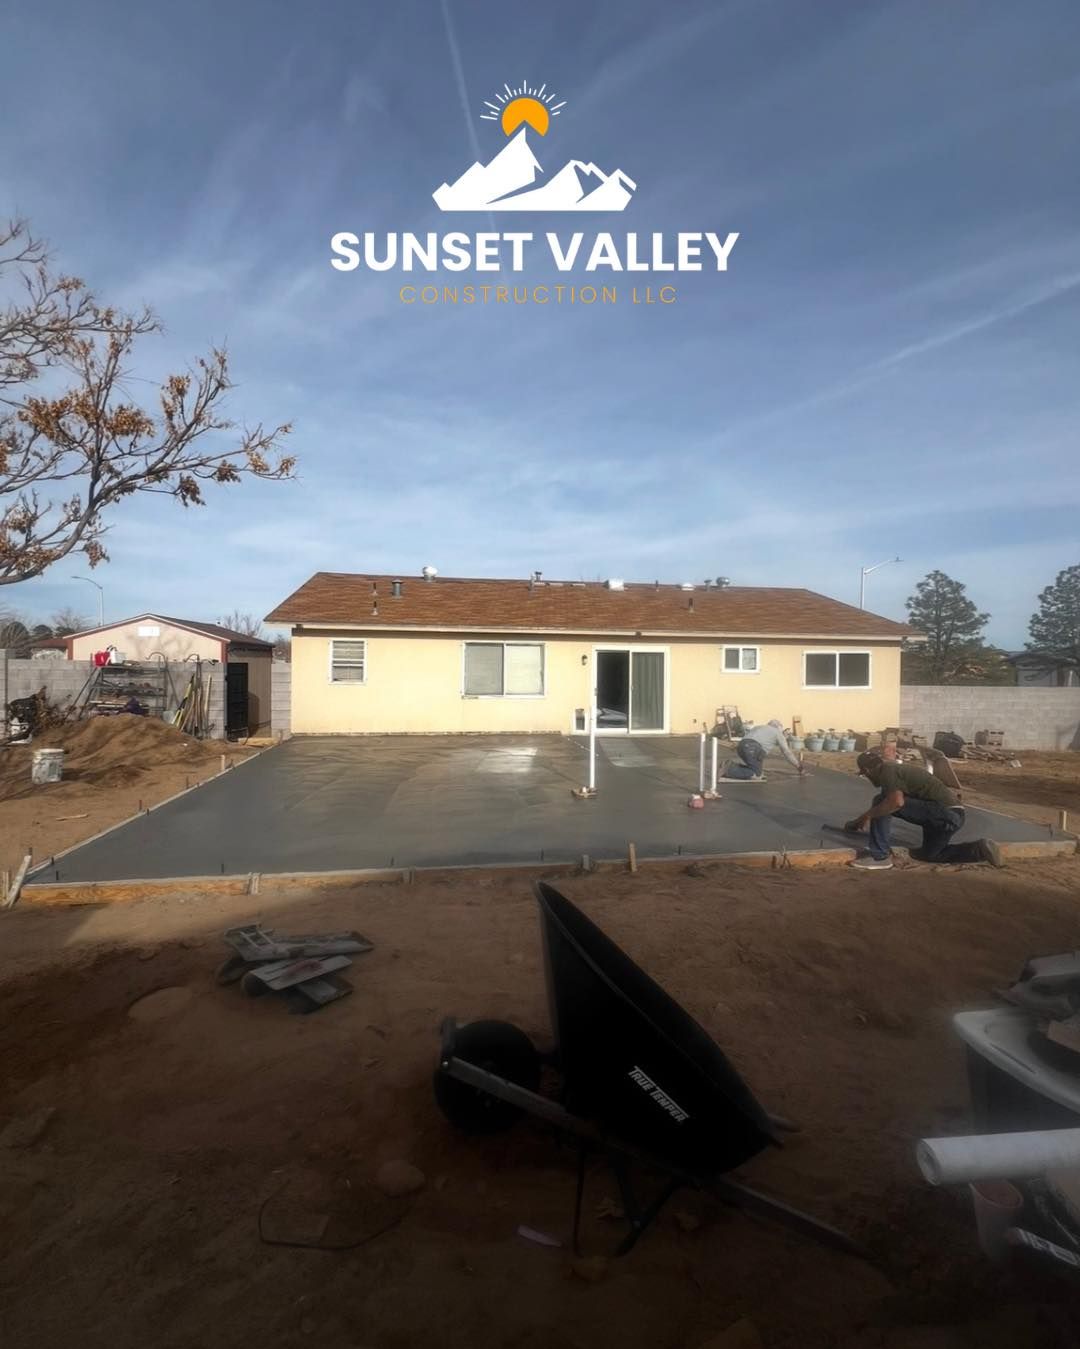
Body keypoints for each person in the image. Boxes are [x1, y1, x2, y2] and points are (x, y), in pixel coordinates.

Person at [848, 750, 1002, 870]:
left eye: (864, 774)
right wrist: (856, 822)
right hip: (951, 817)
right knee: (931, 854)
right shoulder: (893, 772)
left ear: (867, 770)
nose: (867, 777)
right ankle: (979, 849)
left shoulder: (888, 771)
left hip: (945, 814)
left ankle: (879, 857)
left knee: (882, 802)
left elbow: (895, 802)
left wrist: (868, 816)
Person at [722, 719, 804, 780]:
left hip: (742, 746)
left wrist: (736, 746)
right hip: (753, 749)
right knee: (757, 776)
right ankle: (729, 769)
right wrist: (798, 766)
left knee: (757, 769)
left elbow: (748, 739)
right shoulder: (777, 732)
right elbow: (787, 752)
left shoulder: (758, 727)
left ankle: (732, 766)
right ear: (779, 727)